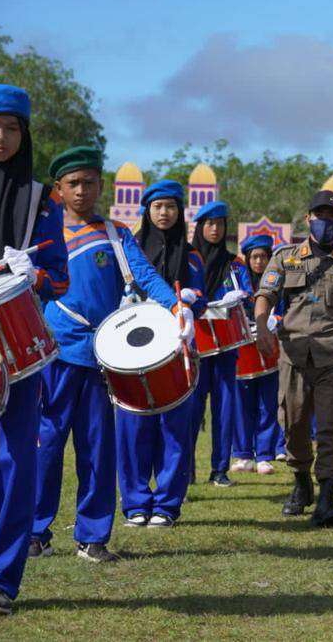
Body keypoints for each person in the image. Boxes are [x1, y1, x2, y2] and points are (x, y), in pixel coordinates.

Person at [30, 147, 192, 566]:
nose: (82, 191)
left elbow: (146, 277)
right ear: (59, 190)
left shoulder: (117, 234)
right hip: (54, 353)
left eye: (89, 182)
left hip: (102, 358)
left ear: (100, 185)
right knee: (45, 444)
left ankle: (93, 535)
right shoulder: (41, 236)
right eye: (73, 184)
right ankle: (34, 532)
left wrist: (176, 308)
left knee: (98, 450)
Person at [0, 84, 68, 616]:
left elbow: (61, 275)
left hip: (17, 351)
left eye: (11, 128)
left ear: (23, 135)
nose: (0, 137)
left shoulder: (44, 199)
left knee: (13, 463)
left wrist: (32, 274)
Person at [255, 190, 333, 526]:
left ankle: (327, 497)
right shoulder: (285, 257)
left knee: (330, 428)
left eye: (332, 216)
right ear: (308, 218)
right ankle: (301, 484)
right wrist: (261, 326)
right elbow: (266, 294)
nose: (326, 222)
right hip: (293, 356)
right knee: (292, 425)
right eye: (320, 215)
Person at [116, 180, 206, 530]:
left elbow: (201, 301)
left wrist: (195, 302)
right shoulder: (129, 249)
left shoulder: (192, 254)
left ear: (179, 212)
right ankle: (136, 502)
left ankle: (167, 504)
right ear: (147, 212)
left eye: (170, 207)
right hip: (133, 348)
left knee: (175, 427)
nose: (164, 213)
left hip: (177, 348)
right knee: (133, 424)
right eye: (157, 207)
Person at [187, 201, 252, 485]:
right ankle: (185, 467)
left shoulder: (234, 263)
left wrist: (241, 296)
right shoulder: (189, 259)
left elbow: (247, 290)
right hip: (195, 343)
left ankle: (220, 469)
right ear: (200, 227)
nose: (215, 230)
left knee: (225, 407)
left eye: (220, 224)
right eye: (209, 224)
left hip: (226, 344)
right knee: (190, 407)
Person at [232, 234, 283, 475]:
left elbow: (285, 309)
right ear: (248, 259)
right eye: (255, 257)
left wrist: (276, 320)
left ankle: (264, 454)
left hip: (270, 347)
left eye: (263, 256)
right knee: (242, 403)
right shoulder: (238, 284)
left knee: (267, 403)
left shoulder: (278, 283)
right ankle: (242, 454)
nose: (259, 262)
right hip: (243, 348)